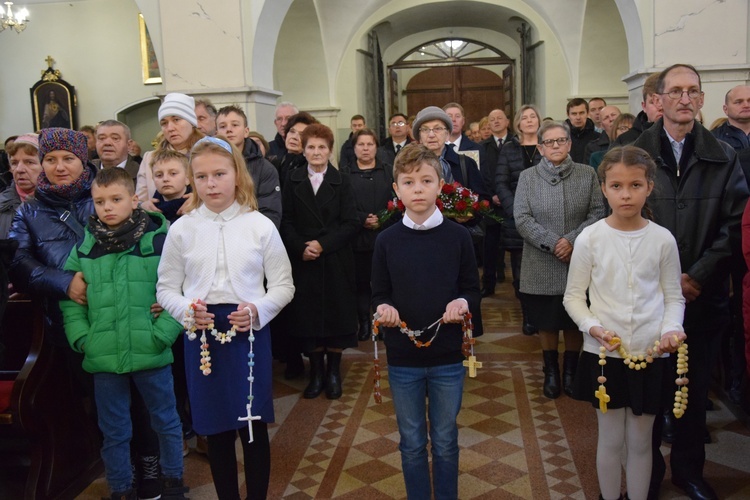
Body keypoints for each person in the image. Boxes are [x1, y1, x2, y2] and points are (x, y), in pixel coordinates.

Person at [9, 128, 165, 499]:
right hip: (72, 322)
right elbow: (17, 261)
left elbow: (148, 247)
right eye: (50, 159)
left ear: (84, 162)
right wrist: (65, 282)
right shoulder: (29, 210)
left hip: (129, 314)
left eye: (68, 158)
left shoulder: (104, 196)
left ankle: (151, 468)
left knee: (143, 401)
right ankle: (121, 473)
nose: (59, 166)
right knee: (102, 404)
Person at [634, 63, 749, 500]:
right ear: (658, 99)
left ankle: (688, 472)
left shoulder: (724, 155)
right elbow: (622, 221)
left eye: (693, 91)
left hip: (703, 295)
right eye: (676, 91)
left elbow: (734, 223)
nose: (685, 98)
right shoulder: (635, 153)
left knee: (694, 389)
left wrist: (696, 275)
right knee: (648, 392)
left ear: (702, 100)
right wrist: (665, 281)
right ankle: (645, 473)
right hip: (646, 297)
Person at [157, 136, 294, 500]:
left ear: (237, 174)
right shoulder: (182, 229)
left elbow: (283, 285)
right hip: (201, 336)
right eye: (201, 177)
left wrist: (258, 309)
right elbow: (165, 288)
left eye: (219, 173)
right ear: (192, 180)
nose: (211, 183)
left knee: (252, 426)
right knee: (215, 429)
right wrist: (187, 311)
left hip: (247, 331)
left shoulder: (259, 225)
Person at [563, 146, 686, 500]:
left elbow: (673, 296)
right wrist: (593, 327)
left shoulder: (662, 239)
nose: (626, 194)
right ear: (604, 188)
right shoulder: (591, 238)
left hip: (650, 352)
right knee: (610, 439)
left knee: (642, 440)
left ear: (649, 186)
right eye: (617, 186)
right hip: (606, 354)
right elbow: (573, 296)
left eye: (635, 185)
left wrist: (670, 330)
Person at [60, 168, 186, 500]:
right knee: (114, 431)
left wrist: (162, 334)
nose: (108, 208)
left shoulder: (159, 240)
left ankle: (173, 483)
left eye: (116, 199)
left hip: (151, 349)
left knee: (165, 423)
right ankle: (120, 488)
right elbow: (72, 302)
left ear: (134, 199)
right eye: (100, 201)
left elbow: (181, 290)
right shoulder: (86, 247)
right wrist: (84, 340)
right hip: (103, 355)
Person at [371, 143, 481, 500]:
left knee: (446, 439)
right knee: (412, 440)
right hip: (403, 358)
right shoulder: (386, 240)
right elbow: (378, 292)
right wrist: (384, 308)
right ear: (397, 190)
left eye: (425, 180)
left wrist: (461, 303)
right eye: (408, 182)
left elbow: (471, 289)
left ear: (440, 185)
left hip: (447, 355)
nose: (417, 189)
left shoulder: (458, 236)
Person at [514, 121, 605, 399]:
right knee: (548, 320)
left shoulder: (587, 174)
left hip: (578, 260)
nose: (555, 146)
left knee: (574, 319)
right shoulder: (527, 177)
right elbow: (522, 217)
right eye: (549, 142)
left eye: (561, 141)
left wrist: (573, 241)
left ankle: (571, 371)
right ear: (540, 147)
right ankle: (551, 370)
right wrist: (555, 243)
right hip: (541, 261)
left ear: (569, 144)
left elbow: (598, 212)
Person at [280, 123, 359, 400]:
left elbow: (351, 223)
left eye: (321, 147)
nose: (316, 152)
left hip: (335, 258)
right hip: (305, 260)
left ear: (329, 150)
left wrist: (323, 244)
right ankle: (315, 374)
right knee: (309, 318)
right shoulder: (292, 179)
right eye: (311, 146)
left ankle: (334, 373)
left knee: (336, 317)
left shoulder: (343, 180)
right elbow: (285, 221)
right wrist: (301, 247)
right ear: (303, 149)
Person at [495, 105, 544, 335]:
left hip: (546, 218)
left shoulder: (548, 146)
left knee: (543, 270)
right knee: (520, 273)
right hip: (517, 219)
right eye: (524, 117)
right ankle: (528, 316)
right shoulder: (509, 149)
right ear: (518, 124)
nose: (529, 120)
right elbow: (501, 182)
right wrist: (515, 209)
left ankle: (541, 314)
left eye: (533, 116)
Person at [347, 128, 394, 341]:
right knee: (361, 284)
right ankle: (365, 323)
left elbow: (397, 202)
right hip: (357, 239)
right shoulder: (345, 174)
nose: (365, 149)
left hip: (385, 236)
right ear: (354, 148)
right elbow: (344, 207)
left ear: (376, 147)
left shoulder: (388, 171)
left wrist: (382, 218)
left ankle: (383, 322)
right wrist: (362, 218)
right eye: (361, 145)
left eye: (369, 144)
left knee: (383, 283)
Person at [216, 105, 282, 227]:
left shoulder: (265, 168)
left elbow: (270, 213)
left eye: (235, 125)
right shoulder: (208, 165)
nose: (229, 130)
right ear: (216, 133)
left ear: (246, 131)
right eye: (223, 126)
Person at [136, 93, 205, 211]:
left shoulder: (209, 154)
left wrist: (200, 199)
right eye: (164, 123)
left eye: (176, 120)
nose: (170, 128)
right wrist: (142, 205)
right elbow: (139, 199)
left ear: (191, 122)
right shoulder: (150, 158)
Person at [479, 109, 511, 297]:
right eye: (492, 119)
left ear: (507, 121)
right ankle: (488, 284)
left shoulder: (516, 143)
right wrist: (491, 195)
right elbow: (481, 174)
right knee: (489, 246)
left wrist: (506, 196)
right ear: (488, 124)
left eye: (500, 118)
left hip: (513, 202)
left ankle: (519, 286)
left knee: (516, 247)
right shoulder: (482, 147)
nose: (496, 121)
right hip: (491, 203)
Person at [0, 134, 41, 238]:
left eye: (29, 162)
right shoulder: (2, 204)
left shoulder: (64, 204)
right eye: (14, 163)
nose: (19, 169)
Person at [613, 73, 663, 147]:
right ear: (644, 106)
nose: (660, 107)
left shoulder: (683, 135)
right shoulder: (625, 140)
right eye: (653, 102)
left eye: (664, 101)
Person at [274, 111, 318, 188]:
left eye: (302, 134)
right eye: (292, 131)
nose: (294, 137)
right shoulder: (277, 163)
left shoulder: (312, 167)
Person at [150, 149, 191, 224]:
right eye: (159, 175)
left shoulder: (200, 204)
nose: (165, 179)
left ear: (187, 178)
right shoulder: (149, 209)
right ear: (153, 179)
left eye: (173, 173)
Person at [712, 85, 750, 151]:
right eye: (738, 102)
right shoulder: (713, 139)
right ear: (726, 109)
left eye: (749, 101)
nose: (746, 105)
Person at [565, 98, 600, 163]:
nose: (578, 117)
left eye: (581, 113)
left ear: (587, 113)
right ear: (568, 115)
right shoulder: (562, 138)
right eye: (574, 114)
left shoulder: (598, 138)